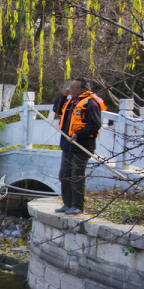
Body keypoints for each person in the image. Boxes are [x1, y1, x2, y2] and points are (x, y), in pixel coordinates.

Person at [52, 77, 105, 215]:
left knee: (76, 176)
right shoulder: (70, 101)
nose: (71, 89)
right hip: (67, 145)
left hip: (82, 146)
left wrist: (78, 134)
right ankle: (67, 204)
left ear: (82, 89)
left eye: (74, 87)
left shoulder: (90, 103)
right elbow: (56, 110)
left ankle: (77, 206)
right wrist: (63, 95)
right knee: (64, 174)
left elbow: (95, 125)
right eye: (70, 86)